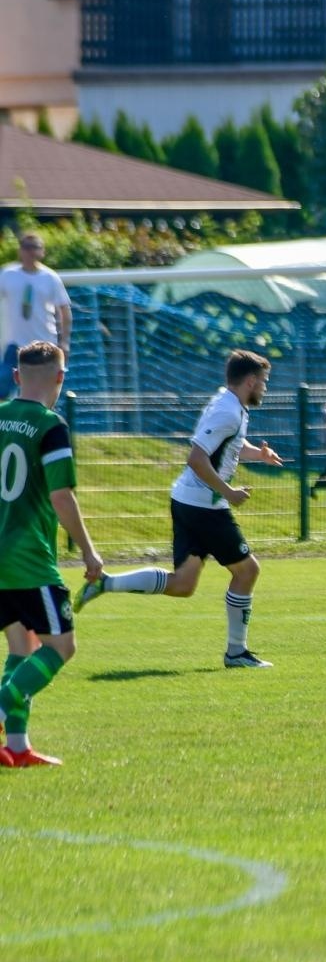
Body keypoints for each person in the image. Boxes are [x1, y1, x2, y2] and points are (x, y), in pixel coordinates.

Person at [75, 350, 283, 668]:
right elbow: (197, 458)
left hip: (188, 501)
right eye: (264, 382)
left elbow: (229, 447)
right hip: (205, 506)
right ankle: (237, 653)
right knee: (248, 571)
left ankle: (106, 582)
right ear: (251, 381)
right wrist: (228, 490)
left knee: (183, 585)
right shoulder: (228, 411)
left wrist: (260, 455)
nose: (265, 388)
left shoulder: (230, 404)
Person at [0, 342, 104, 767]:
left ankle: (17, 748)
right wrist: (90, 555)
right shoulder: (50, 425)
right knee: (61, 645)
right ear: (60, 378)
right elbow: (62, 497)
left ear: (16, 376)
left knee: (21, 645)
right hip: (28, 558)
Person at [0, 233, 71, 401]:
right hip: (15, 343)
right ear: (20, 250)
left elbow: (64, 309)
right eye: (26, 247)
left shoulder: (50, 277)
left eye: (34, 247)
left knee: (45, 391)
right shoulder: (8, 274)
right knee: (3, 388)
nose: (30, 252)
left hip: (44, 344)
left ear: (42, 252)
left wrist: (65, 342)